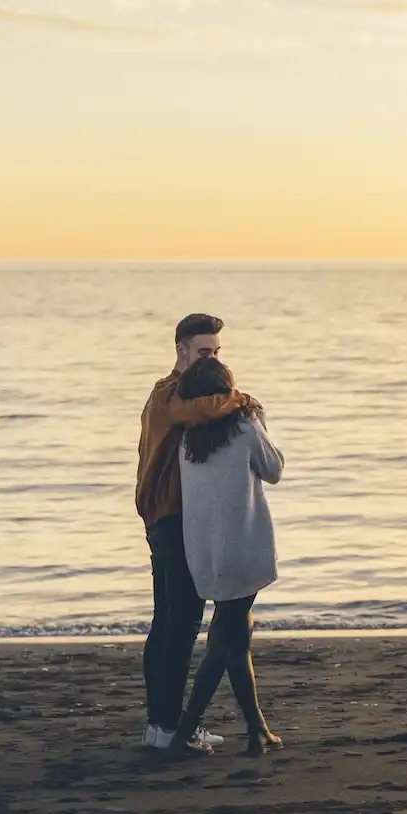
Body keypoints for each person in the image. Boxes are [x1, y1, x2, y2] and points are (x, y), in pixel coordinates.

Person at [136, 313, 259, 754]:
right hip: (170, 519)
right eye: (205, 351)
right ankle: (171, 728)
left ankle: (159, 726)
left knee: (166, 622)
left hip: (159, 518)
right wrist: (240, 398)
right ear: (181, 351)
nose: (211, 358)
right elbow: (205, 408)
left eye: (217, 352)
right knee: (182, 625)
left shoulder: (167, 393)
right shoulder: (173, 394)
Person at [168, 356, 284, 758]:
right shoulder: (244, 425)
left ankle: (257, 730)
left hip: (204, 553)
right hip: (242, 549)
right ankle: (185, 729)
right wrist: (259, 417)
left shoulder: (187, 439)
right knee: (225, 639)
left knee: (237, 636)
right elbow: (274, 469)